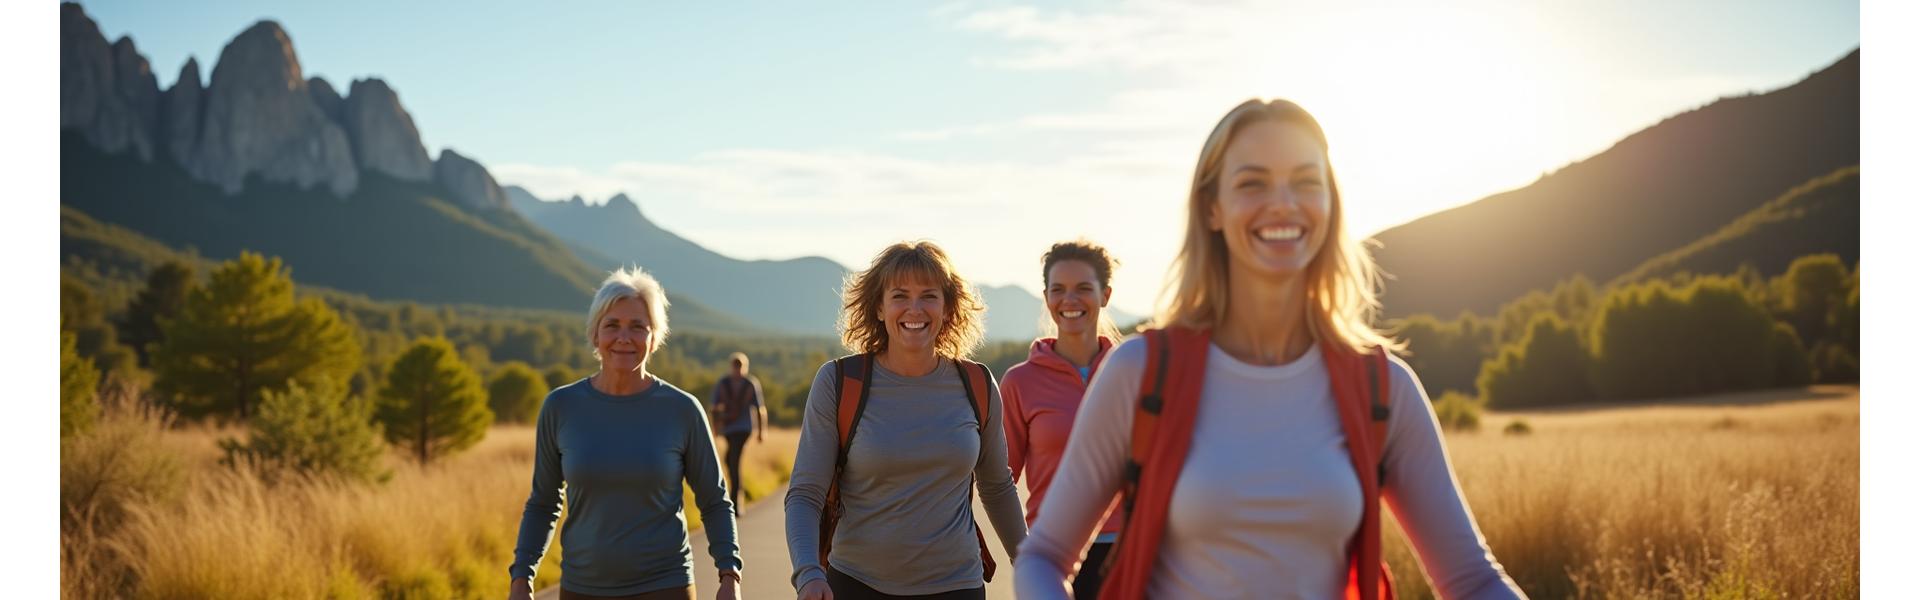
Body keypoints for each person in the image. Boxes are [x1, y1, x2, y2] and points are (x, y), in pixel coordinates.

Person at [1012, 99, 1525, 599]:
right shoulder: (1143, 373)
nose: (1283, 202)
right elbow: (1044, 557)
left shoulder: (1382, 388)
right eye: (1253, 183)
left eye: (1306, 182)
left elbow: (1474, 581)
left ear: (1329, 204)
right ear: (1212, 208)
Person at [784, 240, 1027, 600]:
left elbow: (998, 487)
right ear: (879, 308)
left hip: (958, 585)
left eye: (929, 295)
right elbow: (806, 493)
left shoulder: (977, 384)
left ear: (947, 308)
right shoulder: (839, 382)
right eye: (900, 295)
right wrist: (808, 573)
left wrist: (1031, 566)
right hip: (856, 585)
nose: (915, 309)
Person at [509, 267, 743, 600]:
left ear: (653, 338)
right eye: (612, 325)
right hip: (581, 588)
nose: (624, 337)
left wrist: (729, 574)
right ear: (595, 334)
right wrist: (522, 577)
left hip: (666, 586)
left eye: (637, 327)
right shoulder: (561, 407)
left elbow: (714, 501)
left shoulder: (682, 410)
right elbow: (544, 502)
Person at [1000, 240, 1125, 599]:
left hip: (1129, 550)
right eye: (1059, 290)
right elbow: (1002, 478)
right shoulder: (1020, 381)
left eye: (1083, 288)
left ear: (1105, 295)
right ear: (1046, 297)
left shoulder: (1135, 373)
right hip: (1054, 556)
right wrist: (1023, 551)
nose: (1070, 300)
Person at [710, 352, 767, 511]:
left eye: (741, 366)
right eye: (736, 366)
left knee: (734, 461)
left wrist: (762, 432)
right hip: (728, 429)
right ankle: (737, 495)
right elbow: (714, 408)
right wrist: (715, 428)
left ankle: (736, 503)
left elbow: (759, 409)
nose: (738, 370)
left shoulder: (750, 384)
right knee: (729, 460)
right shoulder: (723, 383)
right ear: (731, 367)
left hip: (743, 429)